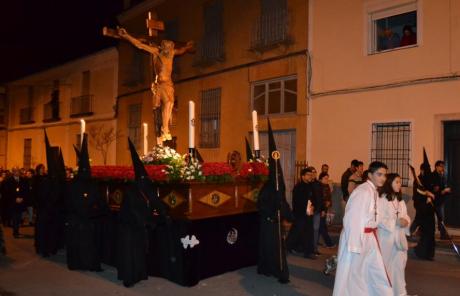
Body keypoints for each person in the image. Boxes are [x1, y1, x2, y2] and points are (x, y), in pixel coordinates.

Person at [116, 27, 193, 143]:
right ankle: (163, 129)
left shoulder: (172, 53)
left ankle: (165, 128)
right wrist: (126, 35)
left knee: (170, 103)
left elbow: (181, 50)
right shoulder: (156, 51)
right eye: (167, 48)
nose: (168, 51)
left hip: (168, 83)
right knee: (164, 104)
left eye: (170, 48)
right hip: (160, 84)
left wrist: (187, 47)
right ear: (163, 47)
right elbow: (139, 45)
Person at [333, 161, 392, 296]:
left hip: (369, 238)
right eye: (379, 174)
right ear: (370, 175)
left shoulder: (373, 191)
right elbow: (353, 219)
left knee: (375, 270)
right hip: (358, 238)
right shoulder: (363, 191)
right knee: (355, 275)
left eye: (385, 175)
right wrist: (354, 245)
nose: (383, 178)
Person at [66, 134, 109, 271]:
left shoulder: (79, 184)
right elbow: (70, 201)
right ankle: (84, 264)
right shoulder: (82, 184)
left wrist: (97, 211)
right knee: (83, 242)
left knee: (83, 243)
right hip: (81, 220)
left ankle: (80, 264)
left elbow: (99, 202)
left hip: (83, 220)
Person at [257, 119, 292, 283]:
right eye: (276, 175)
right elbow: (262, 206)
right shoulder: (266, 188)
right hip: (269, 223)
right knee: (268, 247)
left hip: (277, 224)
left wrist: (286, 214)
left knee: (279, 248)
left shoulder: (279, 188)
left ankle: (281, 272)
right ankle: (267, 268)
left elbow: (283, 202)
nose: (278, 177)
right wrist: (272, 212)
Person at [377, 173, 411, 296]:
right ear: (389, 183)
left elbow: (405, 215)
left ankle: (400, 293)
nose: (399, 184)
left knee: (399, 269)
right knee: (386, 268)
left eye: (400, 182)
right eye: (396, 182)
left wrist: (406, 221)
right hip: (386, 239)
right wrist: (395, 222)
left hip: (399, 239)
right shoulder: (382, 199)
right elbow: (379, 219)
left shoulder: (400, 200)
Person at [286, 167, 316, 259]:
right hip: (300, 214)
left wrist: (312, 206)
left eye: (311, 175)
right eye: (308, 175)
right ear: (303, 176)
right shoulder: (298, 187)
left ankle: (306, 251)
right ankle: (287, 247)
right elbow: (298, 201)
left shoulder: (311, 186)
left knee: (307, 233)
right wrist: (306, 207)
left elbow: (313, 198)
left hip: (308, 214)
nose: (310, 176)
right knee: (295, 232)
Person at [3, 167, 29, 238]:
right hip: (13, 202)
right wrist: (15, 199)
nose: (17, 172)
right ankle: (15, 232)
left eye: (18, 171)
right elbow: (7, 192)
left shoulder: (23, 180)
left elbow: (26, 190)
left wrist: (22, 198)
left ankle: (17, 230)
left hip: (21, 201)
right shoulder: (8, 181)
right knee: (15, 217)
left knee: (19, 217)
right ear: (13, 172)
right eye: (15, 171)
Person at [431, 160, 451, 240]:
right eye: (441, 166)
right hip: (434, 200)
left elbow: (441, 187)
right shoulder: (433, 176)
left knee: (441, 218)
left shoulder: (441, 175)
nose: (443, 168)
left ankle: (443, 234)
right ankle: (437, 234)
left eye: (443, 166)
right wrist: (443, 191)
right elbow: (434, 189)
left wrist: (446, 190)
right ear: (436, 167)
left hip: (440, 200)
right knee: (434, 218)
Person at [318, 172, 335, 248]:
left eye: (327, 178)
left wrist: (329, 203)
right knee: (322, 226)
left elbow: (329, 196)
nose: (327, 180)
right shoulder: (319, 187)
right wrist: (324, 204)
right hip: (321, 208)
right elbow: (320, 198)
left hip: (325, 208)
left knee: (320, 226)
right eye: (325, 178)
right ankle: (329, 243)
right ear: (320, 179)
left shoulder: (327, 186)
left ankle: (316, 241)